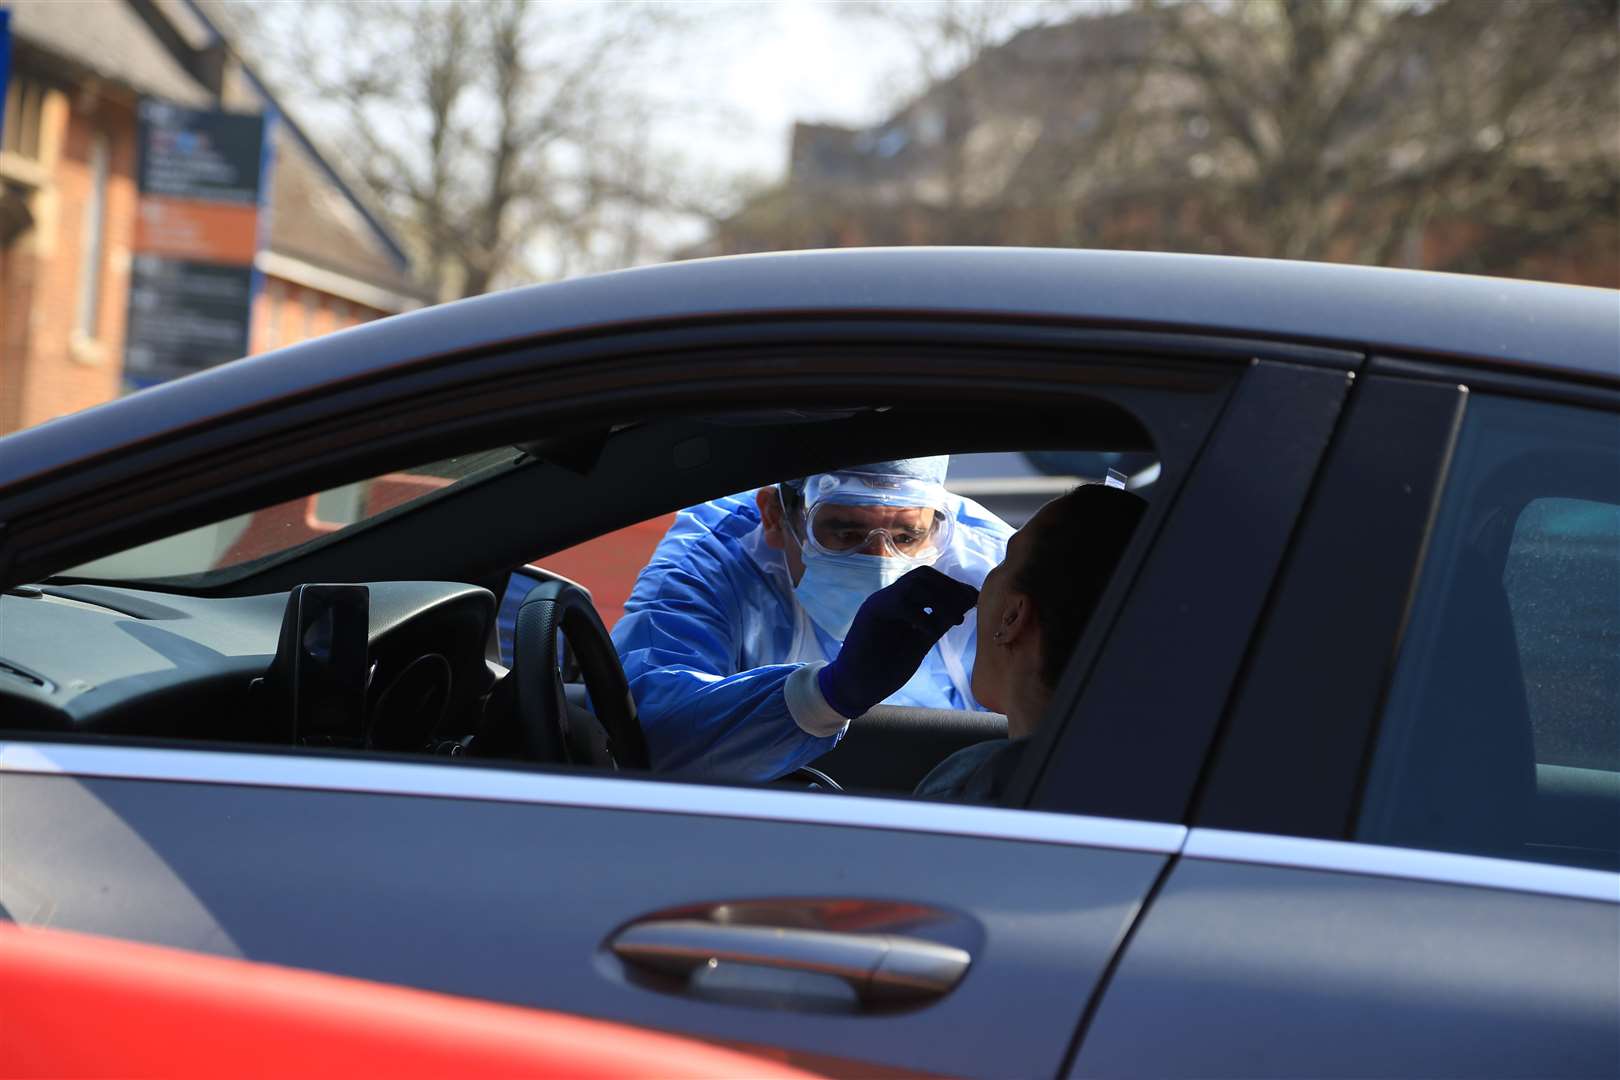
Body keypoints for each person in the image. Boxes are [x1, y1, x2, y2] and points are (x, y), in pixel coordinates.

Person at [612, 457, 1011, 781]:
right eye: (844, 533)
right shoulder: (713, 560)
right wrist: (824, 696)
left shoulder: (990, 563)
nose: (881, 562)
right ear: (773, 515)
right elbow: (645, 736)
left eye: (906, 537)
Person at [914, 482, 1148, 802]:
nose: (982, 585)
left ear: (1012, 617)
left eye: (1004, 560)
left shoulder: (973, 787)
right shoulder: (1157, 771)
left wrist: (826, 703)